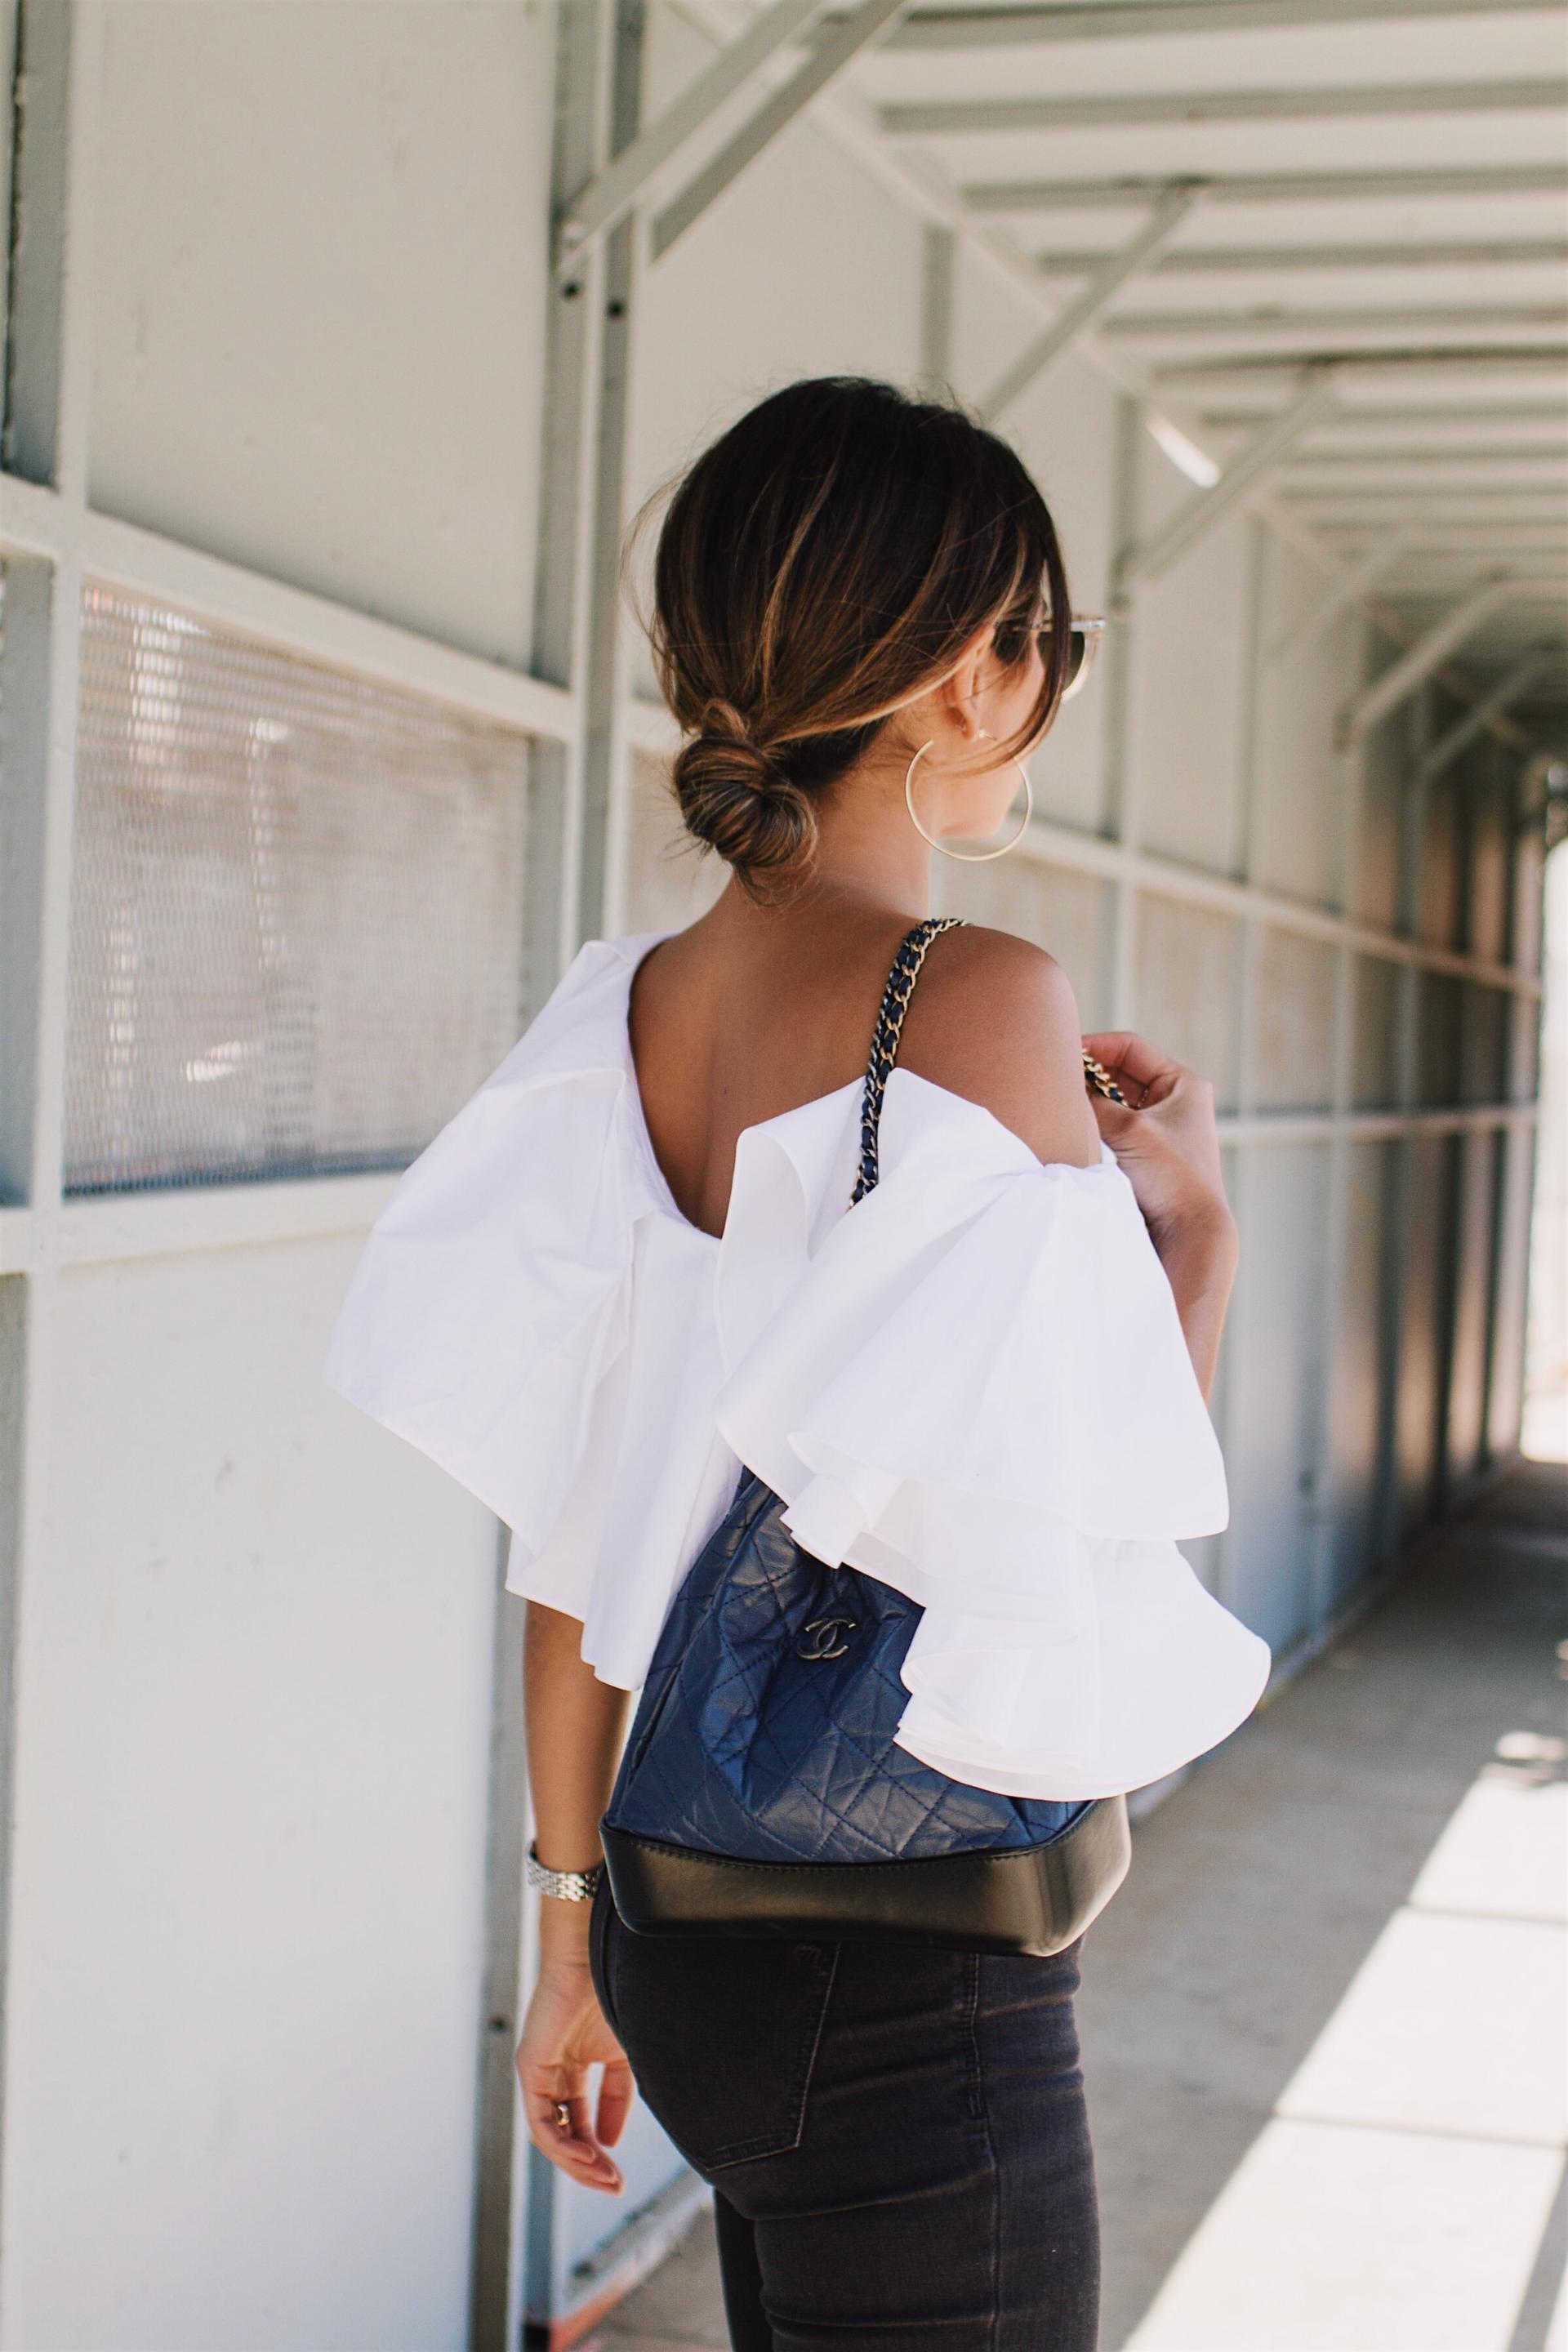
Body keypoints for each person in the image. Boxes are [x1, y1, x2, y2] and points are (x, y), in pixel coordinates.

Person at [323, 376, 1270, 2350]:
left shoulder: (634, 1009)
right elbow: (1064, 1546)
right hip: (907, 1960)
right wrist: (1195, 1241)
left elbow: (576, 1537)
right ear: (954, 675)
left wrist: (564, 1937)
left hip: (692, 1949)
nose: (1053, 688)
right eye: (1049, 643)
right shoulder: (985, 998)